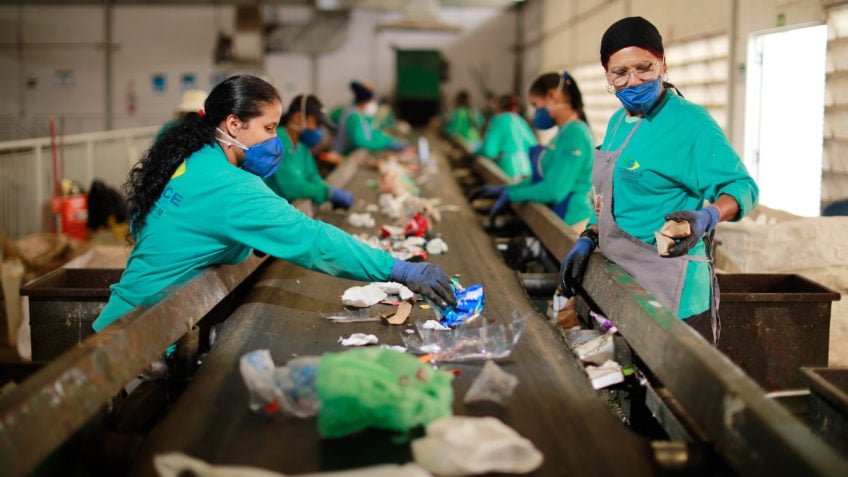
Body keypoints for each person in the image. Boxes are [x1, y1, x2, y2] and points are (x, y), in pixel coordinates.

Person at [93, 75, 455, 336]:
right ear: (233, 124)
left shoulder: (196, 159)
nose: (275, 139)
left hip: (127, 317)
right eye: (268, 128)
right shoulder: (230, 186)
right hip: (137, 339)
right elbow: (312, 241)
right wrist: (399, 269)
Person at [559, 17, 758, 343]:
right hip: (622, 284)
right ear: (606, 74)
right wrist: (590, 235)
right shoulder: (616, 122)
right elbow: (615, 198)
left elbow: (742, 187)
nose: (634, 81)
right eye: (620, 73)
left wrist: (707, 215)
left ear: (664, 64)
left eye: (644, 68)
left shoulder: (689, 122)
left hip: (669, 293)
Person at [476, 72, 594, 231]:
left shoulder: (575, 133)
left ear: (552, 96)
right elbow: (540, 180)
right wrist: (507, 189)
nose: (535, 113)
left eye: (535, 105)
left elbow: (553, 191)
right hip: (560, 218)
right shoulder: (562, 133)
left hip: (572, 223)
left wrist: (513, 195)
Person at [264, 94, 354, 210]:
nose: (319, 130)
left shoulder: (302, 146)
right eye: (317, 124)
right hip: (271, 212)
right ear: (297, 118)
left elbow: (313, 176)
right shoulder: (276, 142)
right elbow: (294, 188)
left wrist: (325, 188)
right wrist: (327, 192)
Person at [332, 81, 406, 154]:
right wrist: (386, 145)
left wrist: (389, 140)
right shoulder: (353, 117)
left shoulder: (362, 116)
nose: (373, 104)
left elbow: (372, 133)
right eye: (371, 102)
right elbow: (361, 142)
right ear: (364, 102)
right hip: (343, 154)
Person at [475, 93, 537, 179]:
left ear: (498, 106)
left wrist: (475, 153)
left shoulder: (498, 120)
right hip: (527, 169)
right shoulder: (521, 121)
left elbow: (489, 150)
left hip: (507, 169)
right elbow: (533, 146)